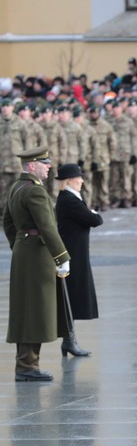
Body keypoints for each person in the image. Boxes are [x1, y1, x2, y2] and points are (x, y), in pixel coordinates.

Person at [4, 146, 71, 382]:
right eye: (45, 163)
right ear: (32, 166)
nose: (49, 166)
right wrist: (62, 256)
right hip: (36, 254)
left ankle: (27, 364)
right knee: (35, 310)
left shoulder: (16, 187)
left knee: (26, 309)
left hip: (24, 251)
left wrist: (19, 245)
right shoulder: (35, 191)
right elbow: (47, 228)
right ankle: (27, 366)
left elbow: (8, 223)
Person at [55, 163, 102, 357]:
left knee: (72, 298)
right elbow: (95, 220)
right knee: (71, 298)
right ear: (69, 180)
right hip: (72, 255)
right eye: (79, 177)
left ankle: (69, 341)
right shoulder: (69, 200)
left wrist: (91, 213)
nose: (82, 180)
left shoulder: (70, 198)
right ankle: (69, 341)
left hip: (77, 254)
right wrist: (93, 213)